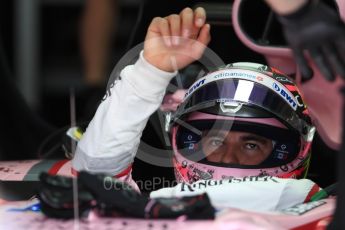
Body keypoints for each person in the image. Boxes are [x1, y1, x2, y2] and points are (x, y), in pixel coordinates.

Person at [70, 7, 321, 213]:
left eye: (251, 145)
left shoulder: (323, 211)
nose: (228, 159)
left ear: (287, 150)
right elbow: (94, 177)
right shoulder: (152, 211)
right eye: (214, 140)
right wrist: (150, 72)